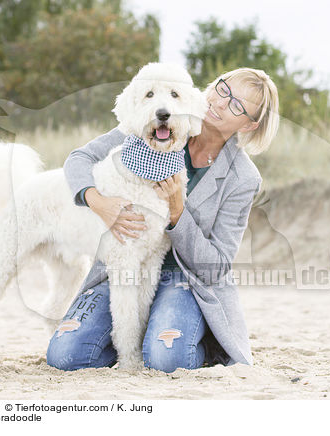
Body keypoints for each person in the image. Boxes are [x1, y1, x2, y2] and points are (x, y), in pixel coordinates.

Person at [46, 67, 280, 372]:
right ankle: (142, 337)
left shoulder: (243, 178)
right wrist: (97, 201)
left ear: (249, 125)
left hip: (185, 281)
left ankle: (194, 337)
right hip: (125, 268)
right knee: (66, 355)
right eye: (223, 89)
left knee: (168, 359)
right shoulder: (158, 119)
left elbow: (216, 266)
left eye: (236, 105)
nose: (221, 103)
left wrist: (177, 210)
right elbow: (79, 158)